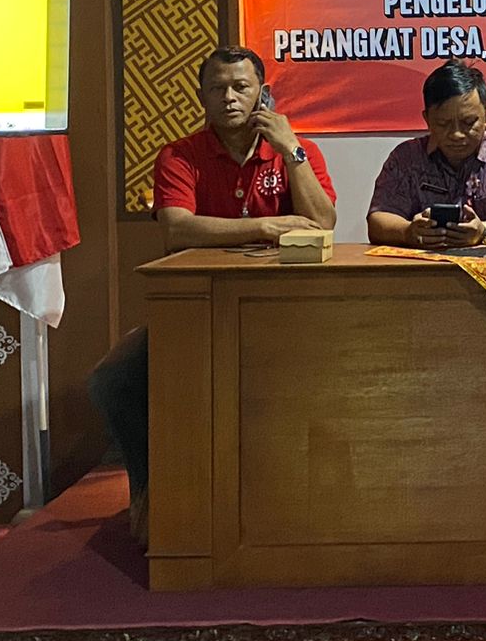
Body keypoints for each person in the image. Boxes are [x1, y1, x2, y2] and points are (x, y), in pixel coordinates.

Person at [88, 45, 337, 542]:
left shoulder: (296, 149)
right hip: (199, 309)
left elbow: (324, 222)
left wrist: (291, 149)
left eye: (241, 87)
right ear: (201, 96)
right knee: (114, 379)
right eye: (217, 88)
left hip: (284, 313)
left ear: (262, 92)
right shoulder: (180, 156)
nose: (229, 97)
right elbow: (177, 228)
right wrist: (266, 226)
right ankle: (152, 495)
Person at [366, 59, 486, 248]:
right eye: (443, 124)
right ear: (427, 120)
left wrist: (485, 231)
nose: (456, 134)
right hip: (424, 263)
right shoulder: (406, 158)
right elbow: (378, 220)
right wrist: (407, 232)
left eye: (468, 123)